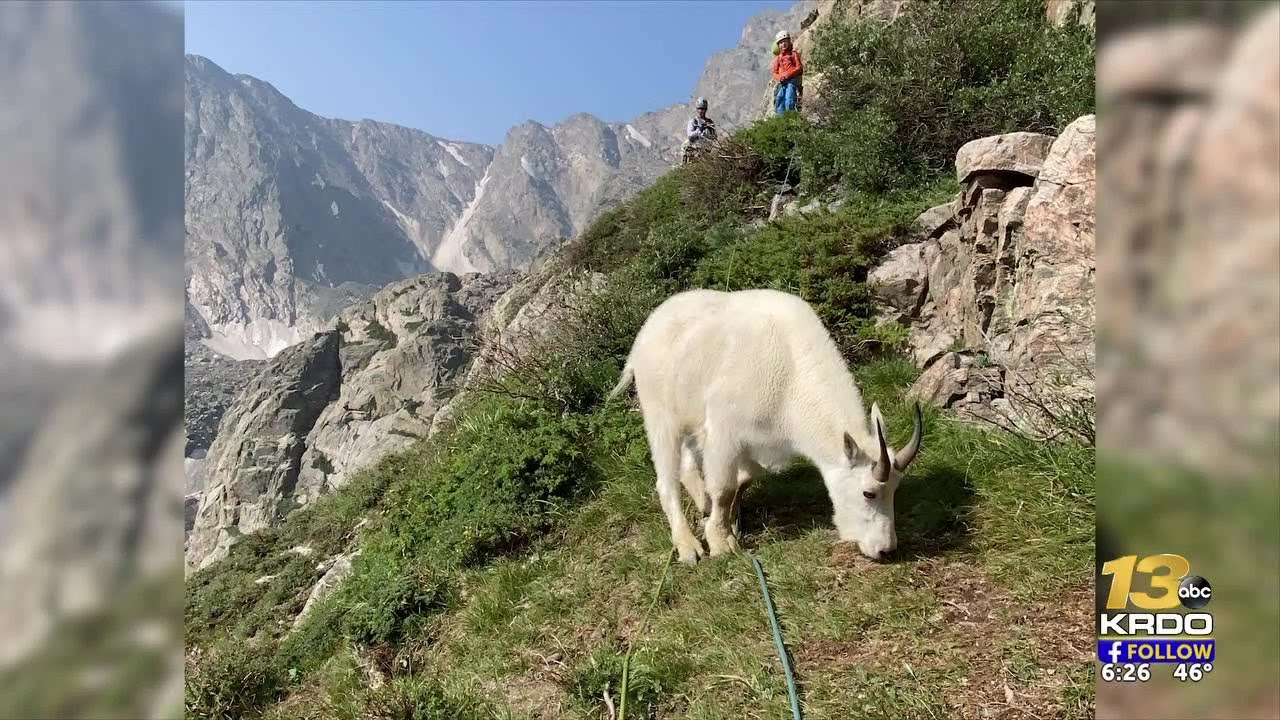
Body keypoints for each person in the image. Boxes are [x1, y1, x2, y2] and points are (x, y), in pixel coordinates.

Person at [771, 30, 803, 116]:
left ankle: (791, 117)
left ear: (789, 42)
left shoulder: (793, 54)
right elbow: (774, 72)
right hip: (783, 82)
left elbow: (799, 68)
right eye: (781, 43)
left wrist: (789, 74)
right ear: (778, 45)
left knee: (789, 99)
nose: (783, 44)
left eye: (785, 41)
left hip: (792, 81)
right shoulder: (778, 58)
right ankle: (781, 121)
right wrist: (779, 77)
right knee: (780, 99)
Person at [682, 97, 718, 165]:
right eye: (700, 109)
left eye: (703, 109)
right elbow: (690, 135)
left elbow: (715, 137)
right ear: (697, 109)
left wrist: (707, 134)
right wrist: (699, 130)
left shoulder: (710, 122)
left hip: (706, 151)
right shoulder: (693, 122)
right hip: (695, 150)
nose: (701, 111)